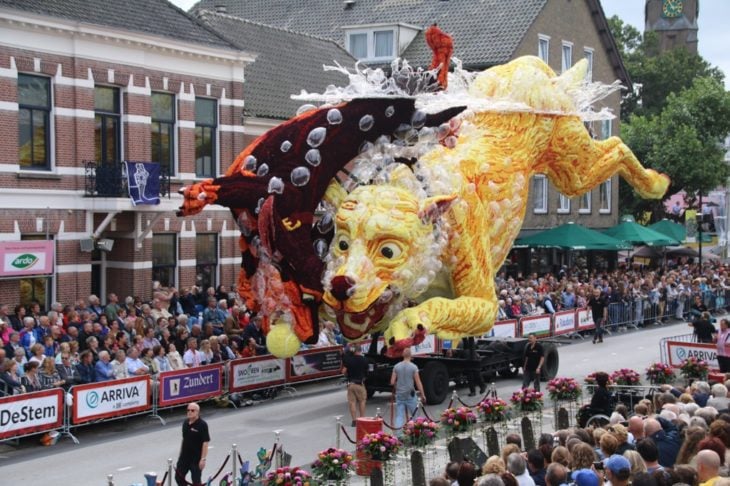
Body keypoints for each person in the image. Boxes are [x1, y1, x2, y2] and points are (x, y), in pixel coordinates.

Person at [390, 348, 426, 429]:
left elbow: (392, 382)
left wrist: (398, 386)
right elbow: (418, 382)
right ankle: (414, 433)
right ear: (410, 355)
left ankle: (398, 434)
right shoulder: (414, 367)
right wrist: (423, 394)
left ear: (402, 355)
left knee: (399, 416)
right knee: (415, 415)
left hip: (400, 394)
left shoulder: (396, 366)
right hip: (410, 394)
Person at [176, 402, 210, 486]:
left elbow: (205, 443)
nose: (189, 412)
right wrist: (180, 454)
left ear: (197, 412)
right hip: (184, 458)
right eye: (188, 410)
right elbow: (184, 439)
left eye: (192, 410)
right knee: (178, 478)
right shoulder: (185, 423)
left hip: (196, 459)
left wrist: (203, 459)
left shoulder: (202, 425)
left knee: (196, 481)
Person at [342, 344, 368, 427]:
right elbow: (367, 372)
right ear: (360, 350)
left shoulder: (349, 360)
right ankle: (362, 419)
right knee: (362, 401)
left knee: (352, 403)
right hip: (360, 383)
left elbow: (343, 371)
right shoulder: (364, 360)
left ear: (354, 351)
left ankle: (354, 421)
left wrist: (347, 374)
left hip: (351, 384)